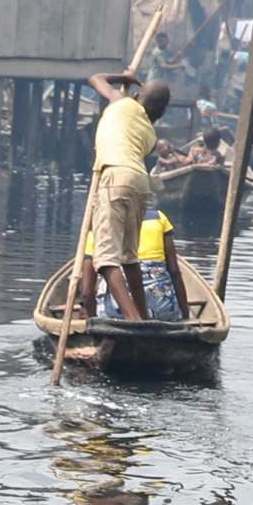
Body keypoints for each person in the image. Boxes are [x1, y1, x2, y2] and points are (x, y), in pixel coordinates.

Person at [74, 70, 168, 322]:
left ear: (137, 96)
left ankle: (133, 320)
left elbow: (95, 78)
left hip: (115, 176)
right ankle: (143, 316)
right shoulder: (150, 133)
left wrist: (125, 77)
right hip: (140, 182)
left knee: (105, 260)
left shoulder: (122, 102)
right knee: (129, 257)